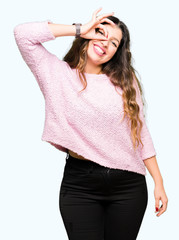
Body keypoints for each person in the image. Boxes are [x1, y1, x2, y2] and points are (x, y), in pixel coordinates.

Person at [14, 7, 168, 240]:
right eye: (100, 33)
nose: (105, 43)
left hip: (128, 186)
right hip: (80, 186)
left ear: (117, 52)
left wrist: (159, 182)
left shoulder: (125, 82)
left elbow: (141, 132)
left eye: (114, 43)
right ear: (87, 36)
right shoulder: (56, 73)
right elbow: (22, 34)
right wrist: (79, 29)